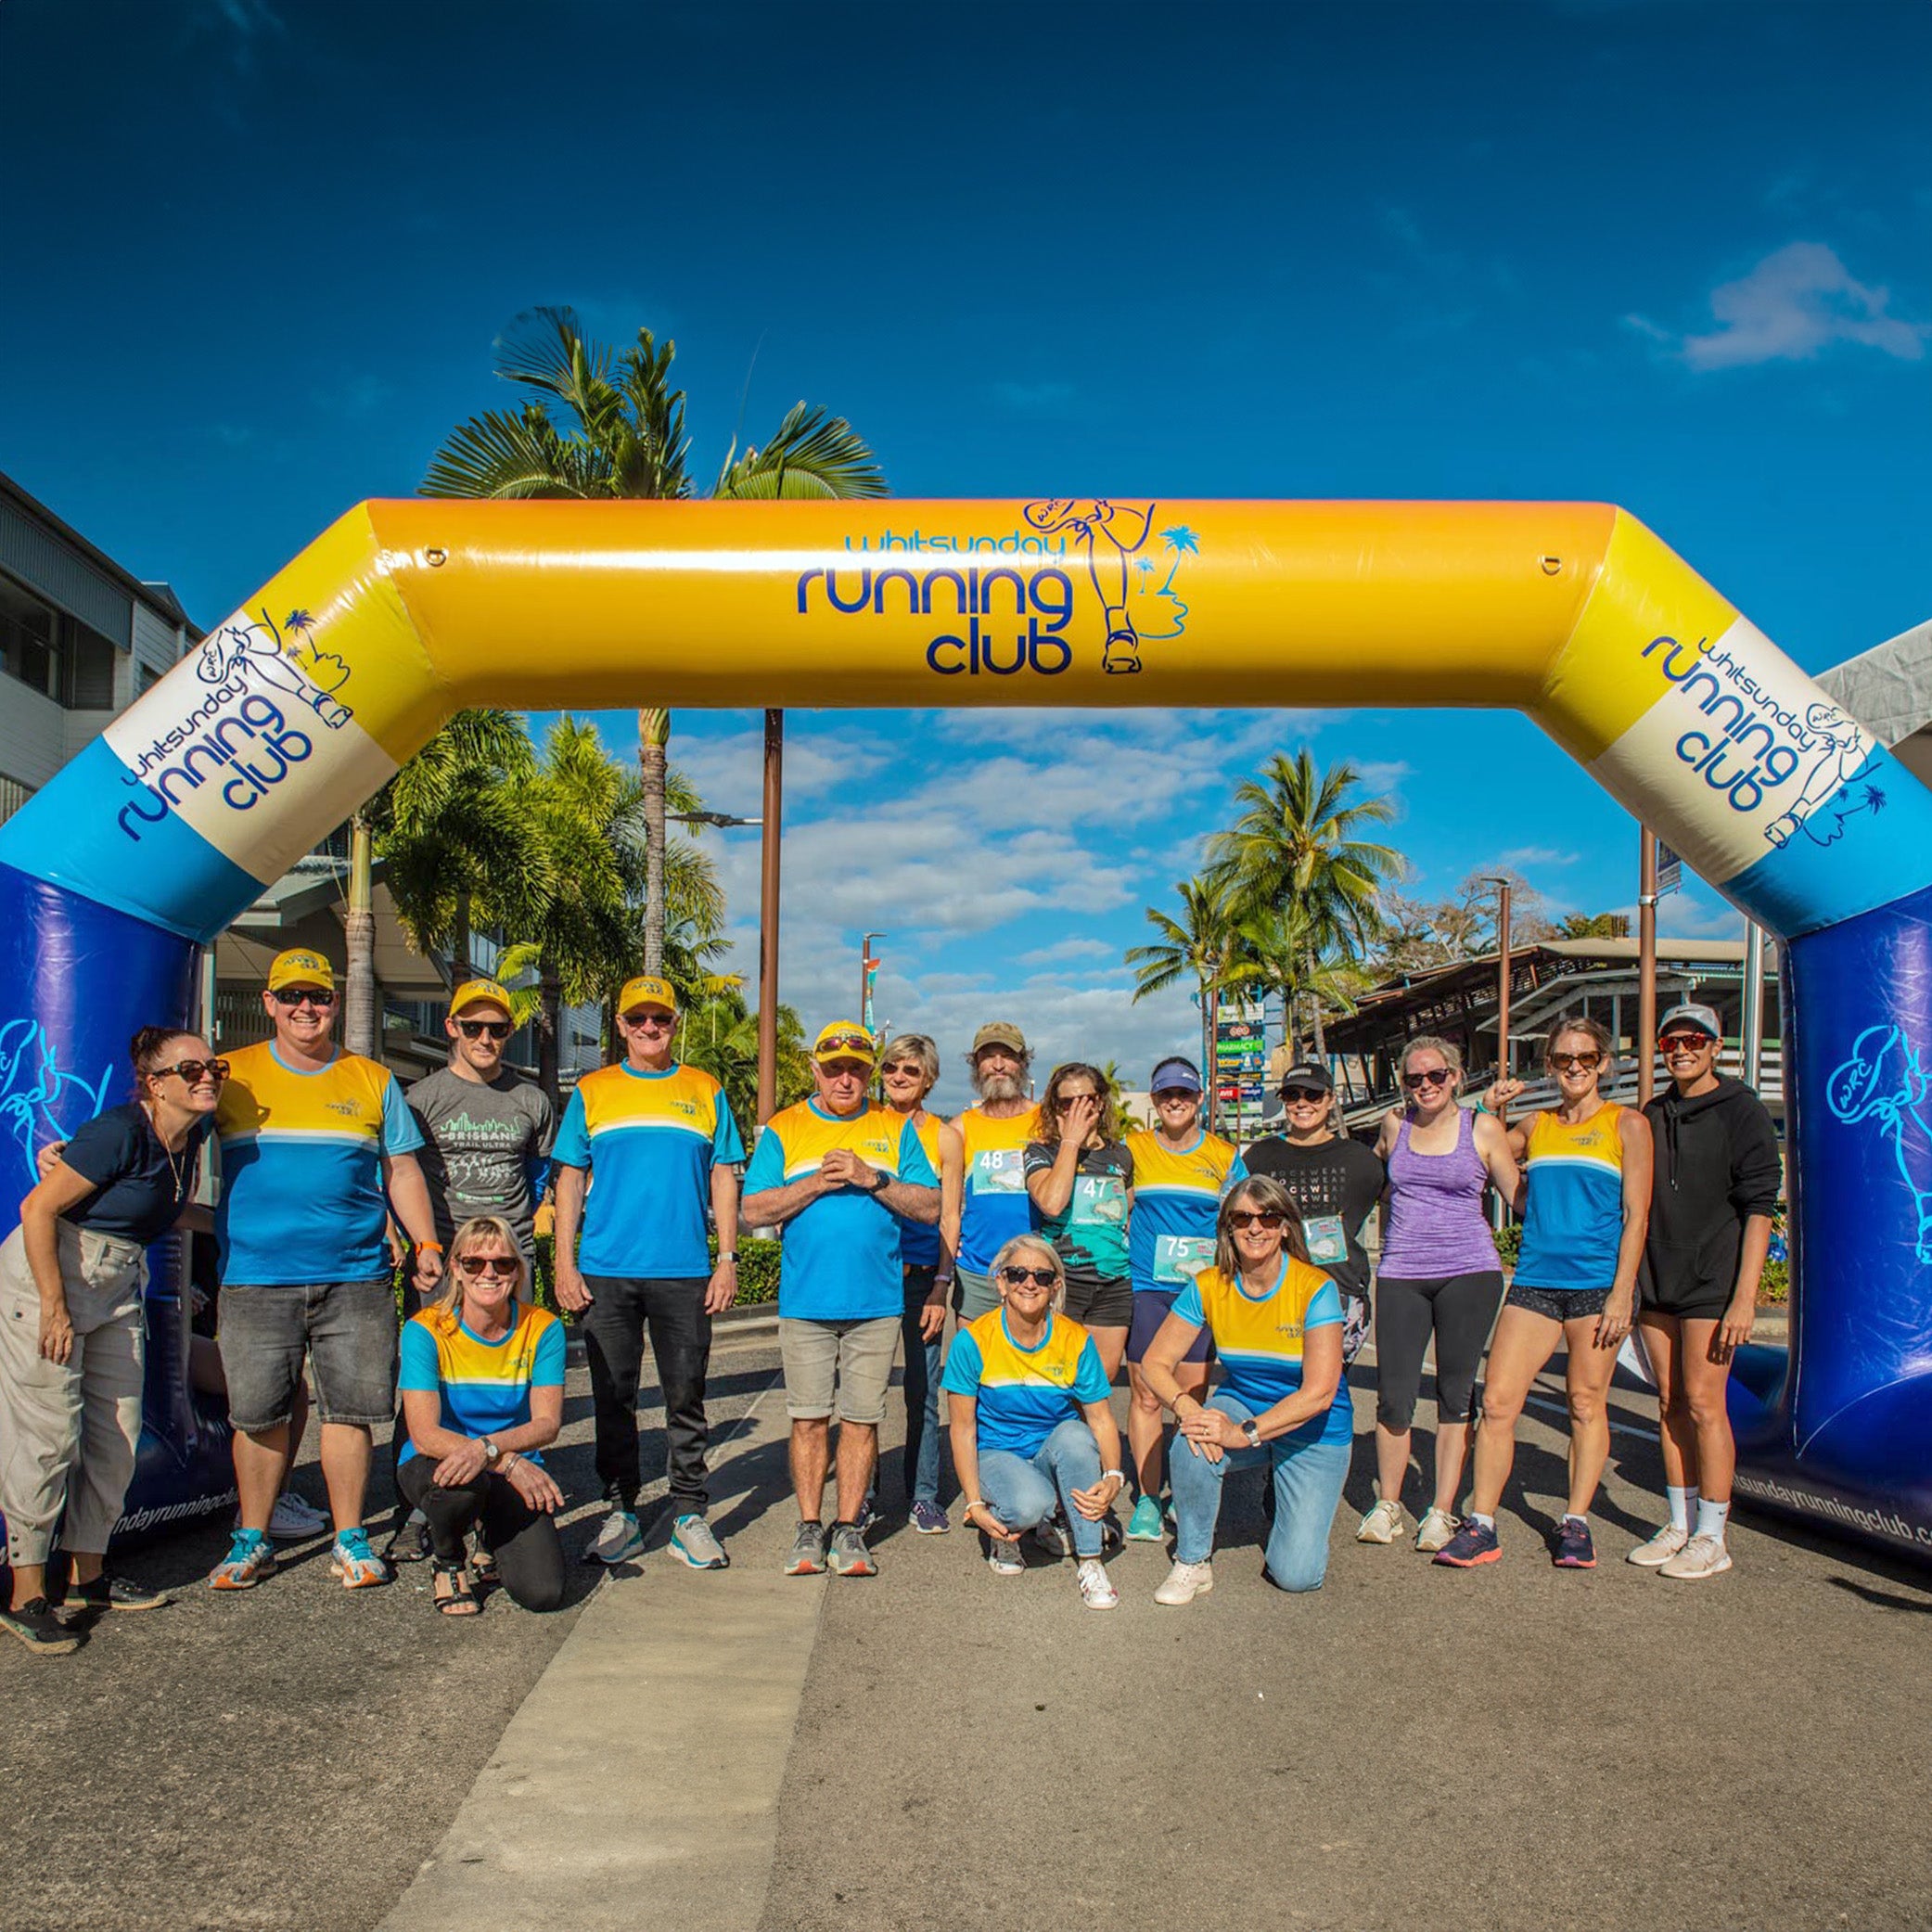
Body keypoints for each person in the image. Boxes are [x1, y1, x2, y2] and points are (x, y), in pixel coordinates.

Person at [207, 950, 443, 1593]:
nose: (305, 1008)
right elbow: (167, 1133)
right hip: (255, 1278)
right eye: (292, 997)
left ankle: (350, 1538)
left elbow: (401, 1170)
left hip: (356, 1278)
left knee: (351, 1413)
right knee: (258, 1416)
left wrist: (424, 1240)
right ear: (268, 1002)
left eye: (318, 996)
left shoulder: (370, 1078)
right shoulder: (233, 1077)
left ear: (336, 1002)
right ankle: (250, 1537)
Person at [0, 1029, 222, 1654]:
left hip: (119, 1277)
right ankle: (26, 1596)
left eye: (213, 1066)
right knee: (46, 1435)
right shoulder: (119, 1130)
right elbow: (37, 1210)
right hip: (55, 1273)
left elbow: (161, 1209)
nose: (207, 1076)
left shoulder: (191, 1136)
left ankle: (87, 1577)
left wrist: (241, 1228)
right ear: (154, 1082)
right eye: (191, 1068)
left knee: (118, 1432)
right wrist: (53, 1305)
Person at [1436, 1015, 1652, 1569]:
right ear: (1550, 1065)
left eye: (1585, 1059)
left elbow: (1637, 1215)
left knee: (1585, 1403)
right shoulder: (1535, 1125)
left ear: (1604, 1063)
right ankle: (1481, 1522)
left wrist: (1623, 1291)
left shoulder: (1626, 1124)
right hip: (1533, 1280)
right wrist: (1487, 1107)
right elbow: (1475, 1152)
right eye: (1562, 1060)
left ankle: (1576, 1522)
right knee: (1499, 1402)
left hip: (1596, 1286)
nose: (1574, 1068)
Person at [552, 974, 744, 1571]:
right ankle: (623, 1511)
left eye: (660, 1018)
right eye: (638, 1019)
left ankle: (689, 1512)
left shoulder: (704, 1090)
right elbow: (569, 1178)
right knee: (614, 1399)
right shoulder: (593, 1089)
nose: (650, 1028)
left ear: (675, 1022)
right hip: (606, 1272)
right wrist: (564, 1261)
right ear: (621, 1026)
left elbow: (724, 1176)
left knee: (687, 1398)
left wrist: (728, 1259)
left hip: (685, 1271)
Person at [741, 1022, 940, 1579]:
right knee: (807, 1420)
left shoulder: (893, 1128)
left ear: (868, 1072)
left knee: (861, 1421)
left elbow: (930, 1205)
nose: (845, 1078)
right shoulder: (786, 1128)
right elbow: (753, 1210)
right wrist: (816, 1184)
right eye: (834, 1069)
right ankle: (809, 1526)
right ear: (815, 1070)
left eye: (856, 1068)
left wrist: (871, 1178)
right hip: (805, 1304)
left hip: (876, 1305)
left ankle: (848, 1529)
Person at [389, 977, 556, 1565]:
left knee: (515, 1375)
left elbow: (541, 1174)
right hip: (442, 1262)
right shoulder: (420, 1097)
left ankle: (503, 1492)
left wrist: (528, 1234)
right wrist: (410, 1242)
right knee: (425, 1386)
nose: (487, 1038)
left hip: (511, 1262)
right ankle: (420, 1507)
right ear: (452, 1028)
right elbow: (398, 1174)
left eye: (498, 1029)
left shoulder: (532, 1099)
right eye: (475, 1027)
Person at [1140, 1176, 1352, 1605]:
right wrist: (1187, 1408)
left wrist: (1244, 1435)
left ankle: (1287, 1491)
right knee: (1192, 1439)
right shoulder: (1208, 1284)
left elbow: (1319, 1393)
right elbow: (1154, 1363)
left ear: (1286, 1226)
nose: (1255, 1228)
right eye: (1242, 1218)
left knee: (1295, 1575)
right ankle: (1193, 1561)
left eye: (1268, 1217)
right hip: (1245, 1401)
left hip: (1313, 1429)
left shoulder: (1315, 1288)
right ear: (1228, 1229)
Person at [1631, 1003, 1781, 1580]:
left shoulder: (1742, 1110)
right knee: (1668, 1402)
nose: (1683, 1049)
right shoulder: (1653, 1111)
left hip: (1713, 1281)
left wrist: (1745, 1298)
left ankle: (1713, 1537)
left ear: (1717, 1046)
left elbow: (1760, 1208)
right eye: (1672, 1042)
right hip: (1657, 1280)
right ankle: (1679, 1521)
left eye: (1696, 1039)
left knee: (1703, 1402)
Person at [1362, 1036, 1517, 1553]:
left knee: (1455, 1394)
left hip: (1469, 1272)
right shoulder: (1393, 1126)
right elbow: (1368, 1183)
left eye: (1435, 1076)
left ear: (1455, 1077)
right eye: (1413, 1078)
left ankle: (1442, 1510)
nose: (1424, 1086)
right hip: (1402, 1271)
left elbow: (1519, 1197)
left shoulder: (1483, 1128)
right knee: (1394, 1394)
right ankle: (1388, 1503)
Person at [942, 1234, 1125, 1610]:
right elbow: (962, 1428)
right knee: (1028, 1504)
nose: (1029, 1283)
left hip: (1050, 1448)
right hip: (998, 1453)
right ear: (1001, 1283)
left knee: (1077, 1436)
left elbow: (1102, 1418)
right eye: (1018, 1274)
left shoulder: (1075, 1339)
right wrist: (974, 1501)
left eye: (1042, 1276)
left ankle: (1090, 1562)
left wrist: (1113, 1477)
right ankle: (1009, 1526)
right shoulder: (973, 1341)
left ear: (1055, 1286)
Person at [397, 1215, 568, 1616]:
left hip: (503, 1463)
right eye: (474, 1263)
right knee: (462, 1484)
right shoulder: (426, 1330)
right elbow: (423, 1434)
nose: (488, 1273)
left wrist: (489, 1451)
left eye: (502, 1264)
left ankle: (489, 1536)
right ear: (455, 1267)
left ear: (517, 1271)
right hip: (441, 1462)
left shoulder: (543, 1328)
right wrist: (502, 1459)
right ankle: (449, 1561)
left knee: (543, 1593)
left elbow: (547, 1424)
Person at [1122, 1056, 1245, 1541]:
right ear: (1154, 1101)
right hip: (1147, 1289)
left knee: (1190, 1400)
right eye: (1166, 1094)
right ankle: (1149, 1499)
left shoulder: (1224, 1154)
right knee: (1147, 1394)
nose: (1176, 1102)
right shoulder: (1134, 1150)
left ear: (1199, 1100)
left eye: (1185, 1094)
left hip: (1200, 1295)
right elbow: (1110, 1204)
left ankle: (1186, 1492)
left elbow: (1242, 1219)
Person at [1241, 1060, 1383, 1366]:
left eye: (1313, 1095)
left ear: (1331, 1100)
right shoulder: (1259, 1157)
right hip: (1274, 1288)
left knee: (1327, 1389)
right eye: (1293, 1096)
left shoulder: (1359, 1159)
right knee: (1279, 1386)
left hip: (1340, 1290)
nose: (1302, 1103)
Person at [877, 1033, 964, 1532]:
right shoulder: (866, 1125)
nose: (900, 1078)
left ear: (928, 1078)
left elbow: (949, 1215)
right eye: (891, 1069)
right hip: (871, 1275)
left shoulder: (945, 1137)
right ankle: (863, 1495)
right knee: (864, 1393)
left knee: (923, 1389)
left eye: (911, 1070)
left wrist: (941, 1285)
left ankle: (923, 1494)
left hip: (920, 1277)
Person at [1023, 1061, 1134, 1379]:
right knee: (1058, 1378)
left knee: (1101, 1380)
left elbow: (1126, 1209)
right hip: (1064, 1281)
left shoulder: (1121, 1155)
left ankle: (1088, 1432)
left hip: (1113, 1283)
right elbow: (1052, 1203)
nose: (1075, 1110)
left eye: (1084, 1100)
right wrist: (1071, 1142)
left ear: (1100, 1102)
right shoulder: (1041, 1151)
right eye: (1066, 1103)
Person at [951, 1022, 1040, 1321]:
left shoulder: (1048, 1120)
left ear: (1023, 1062)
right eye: (988, 1056)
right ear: (976, 1065)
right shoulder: (960, 1127)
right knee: (975, 1364)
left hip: (1036, 1274)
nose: (998, 1065)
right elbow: (944, 1204)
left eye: (1007, 1055)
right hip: (977, 1273)